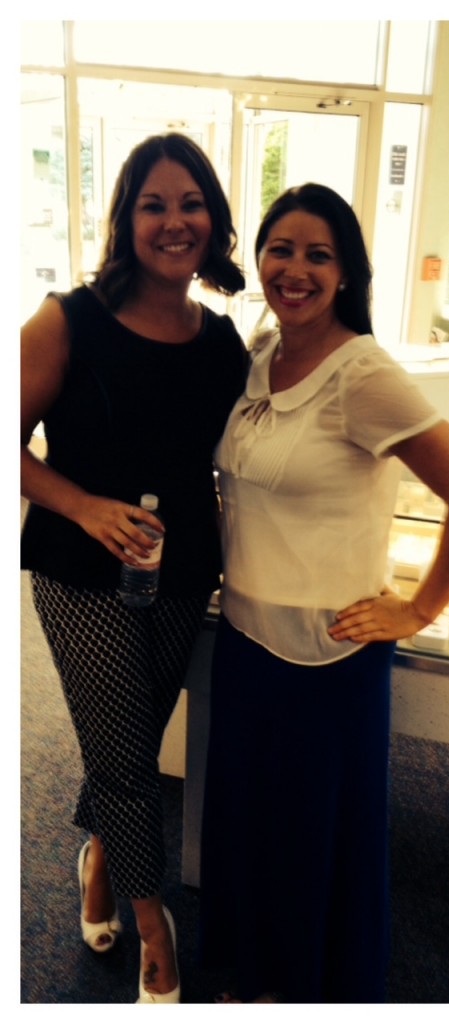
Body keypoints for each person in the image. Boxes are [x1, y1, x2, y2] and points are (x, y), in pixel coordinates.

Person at [198, 183, 449, 1004]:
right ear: (259, 258)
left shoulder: (361, 373)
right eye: (281, 250)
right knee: (253, 829)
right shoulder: (262, 354)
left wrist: (420, 607)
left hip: (325, 658)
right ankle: (263, 975)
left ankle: (302, 988)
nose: (294, 270)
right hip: (247, 641)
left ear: (347, 273)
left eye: (317, 255)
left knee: (308, 841)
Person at [20, 134, 249, 1003]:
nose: (173, 220)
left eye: (190, 203)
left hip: (183, 567)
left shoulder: (223, 342)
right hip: (79, 571)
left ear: (214, 223)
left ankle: (99, 865)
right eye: (153, 203)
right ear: (126, 219)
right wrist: (80, 503)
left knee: (127, 738)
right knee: (124, 760)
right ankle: (156, 927)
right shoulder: (66, 319)